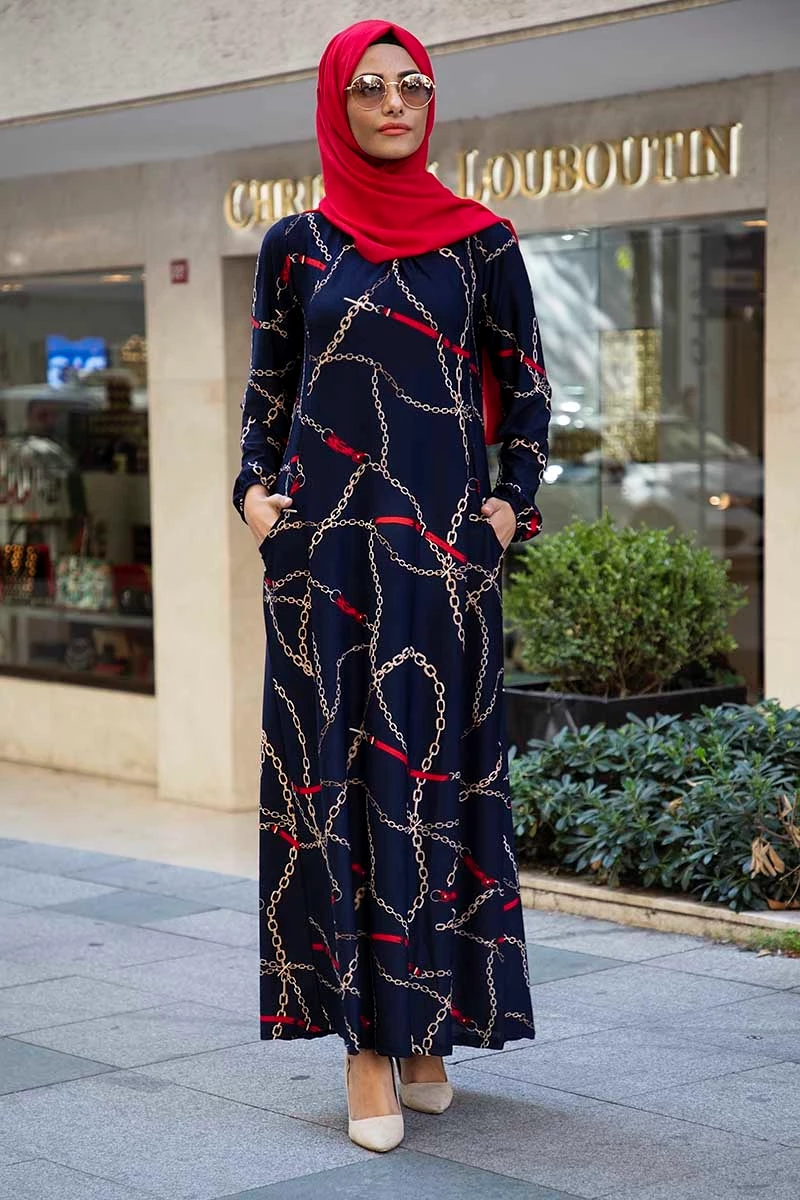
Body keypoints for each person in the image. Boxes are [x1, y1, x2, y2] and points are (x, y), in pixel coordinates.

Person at [232, 19, 552, 1154]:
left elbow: (528, 393)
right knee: (336, 783)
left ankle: (425, 1027)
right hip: (324, 563)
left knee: (434, 784)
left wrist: (507, 511)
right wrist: (253, 498)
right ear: (337, 104)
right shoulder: (297, 246)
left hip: (445, 565)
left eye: (411, 85)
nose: (393, 104)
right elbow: (266, 396)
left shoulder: (481, 245)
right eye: (368, 88)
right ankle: (364, 1048)